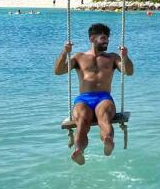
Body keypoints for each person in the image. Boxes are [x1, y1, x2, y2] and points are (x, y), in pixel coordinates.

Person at [54, 22, 133, 165]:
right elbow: (58, 71)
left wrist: (125, 57)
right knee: (82, 120)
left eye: (107, 39)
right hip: (84, 99)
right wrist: (65, 52)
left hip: (104, 97)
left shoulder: (112, 57)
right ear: (92, 39)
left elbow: (129, 72)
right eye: (103, 38)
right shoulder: (79, 57)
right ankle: (79, 151)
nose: (106, 41)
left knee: (104, 117)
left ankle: (108, 140)